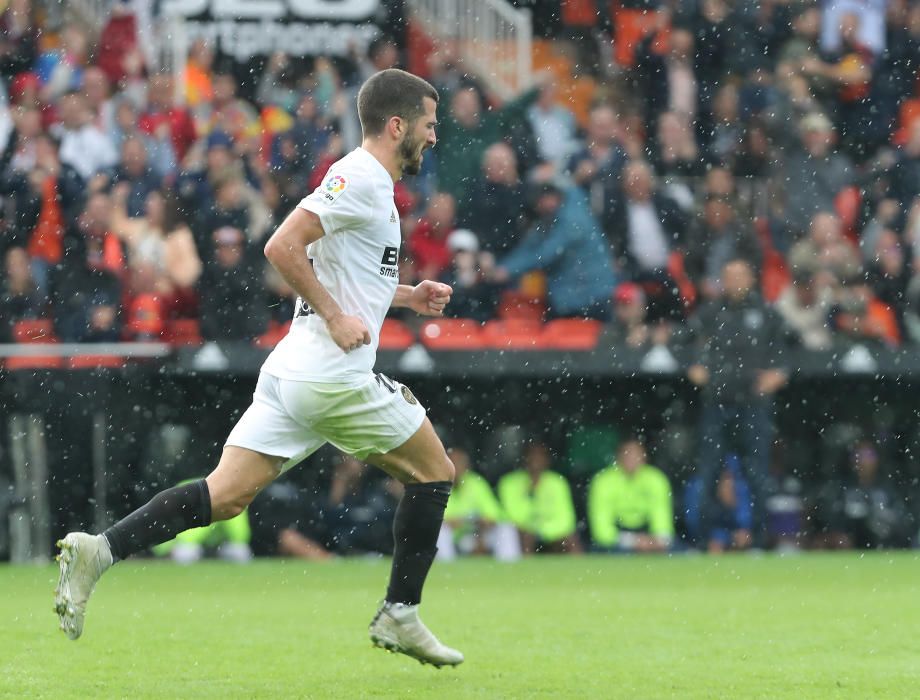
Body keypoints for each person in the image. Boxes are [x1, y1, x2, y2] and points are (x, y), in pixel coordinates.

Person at [54, 68, 464, 668]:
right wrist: (334, 316)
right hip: (331, 376)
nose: (434, 136)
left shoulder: (365, 183)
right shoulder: (361, 178)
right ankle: (401, 612)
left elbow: (344, 272)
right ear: (398, 124)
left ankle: (100, 550)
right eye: (429, 124)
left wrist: (406, 296)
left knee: (224, 496)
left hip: (292, 374)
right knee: (435, 472)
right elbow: (280, 247)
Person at [687, 259, 789, 548]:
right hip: (716, 402)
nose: (734, 281)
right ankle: (705, 541)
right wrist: (695, 366)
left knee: (757, 473)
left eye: (740, 275)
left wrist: (777, 374)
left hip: (753, 404)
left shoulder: (766, 314)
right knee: (709, 472)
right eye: (729, 276)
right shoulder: (711, 312)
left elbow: (782, 353)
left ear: (751, 279)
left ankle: (757, 541)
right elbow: (685, 340)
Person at [587, 438, 674, 553]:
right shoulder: (603, 481)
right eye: (628, 455)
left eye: (637, 455)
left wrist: (657, 541)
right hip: (616, 542)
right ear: (618, 458)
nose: (633, 460)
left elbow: (662, 519)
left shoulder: (656, 479)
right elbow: (601, 530)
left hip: (649, 538)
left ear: (645, 457)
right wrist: (633, 541)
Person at [497, 442, 580, 553]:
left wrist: (542, 531)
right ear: (524, 459)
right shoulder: (509, 483)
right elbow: (510, 515)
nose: (535, 461)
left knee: (571, 540)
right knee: (525, 537)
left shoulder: (557, 482)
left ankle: (579, 570)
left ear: (547, 460)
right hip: (521, 533)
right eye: (532, 456)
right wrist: (531, 528)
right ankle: (523, 569)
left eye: (540, 456)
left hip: (550, 532)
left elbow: (566, 520)